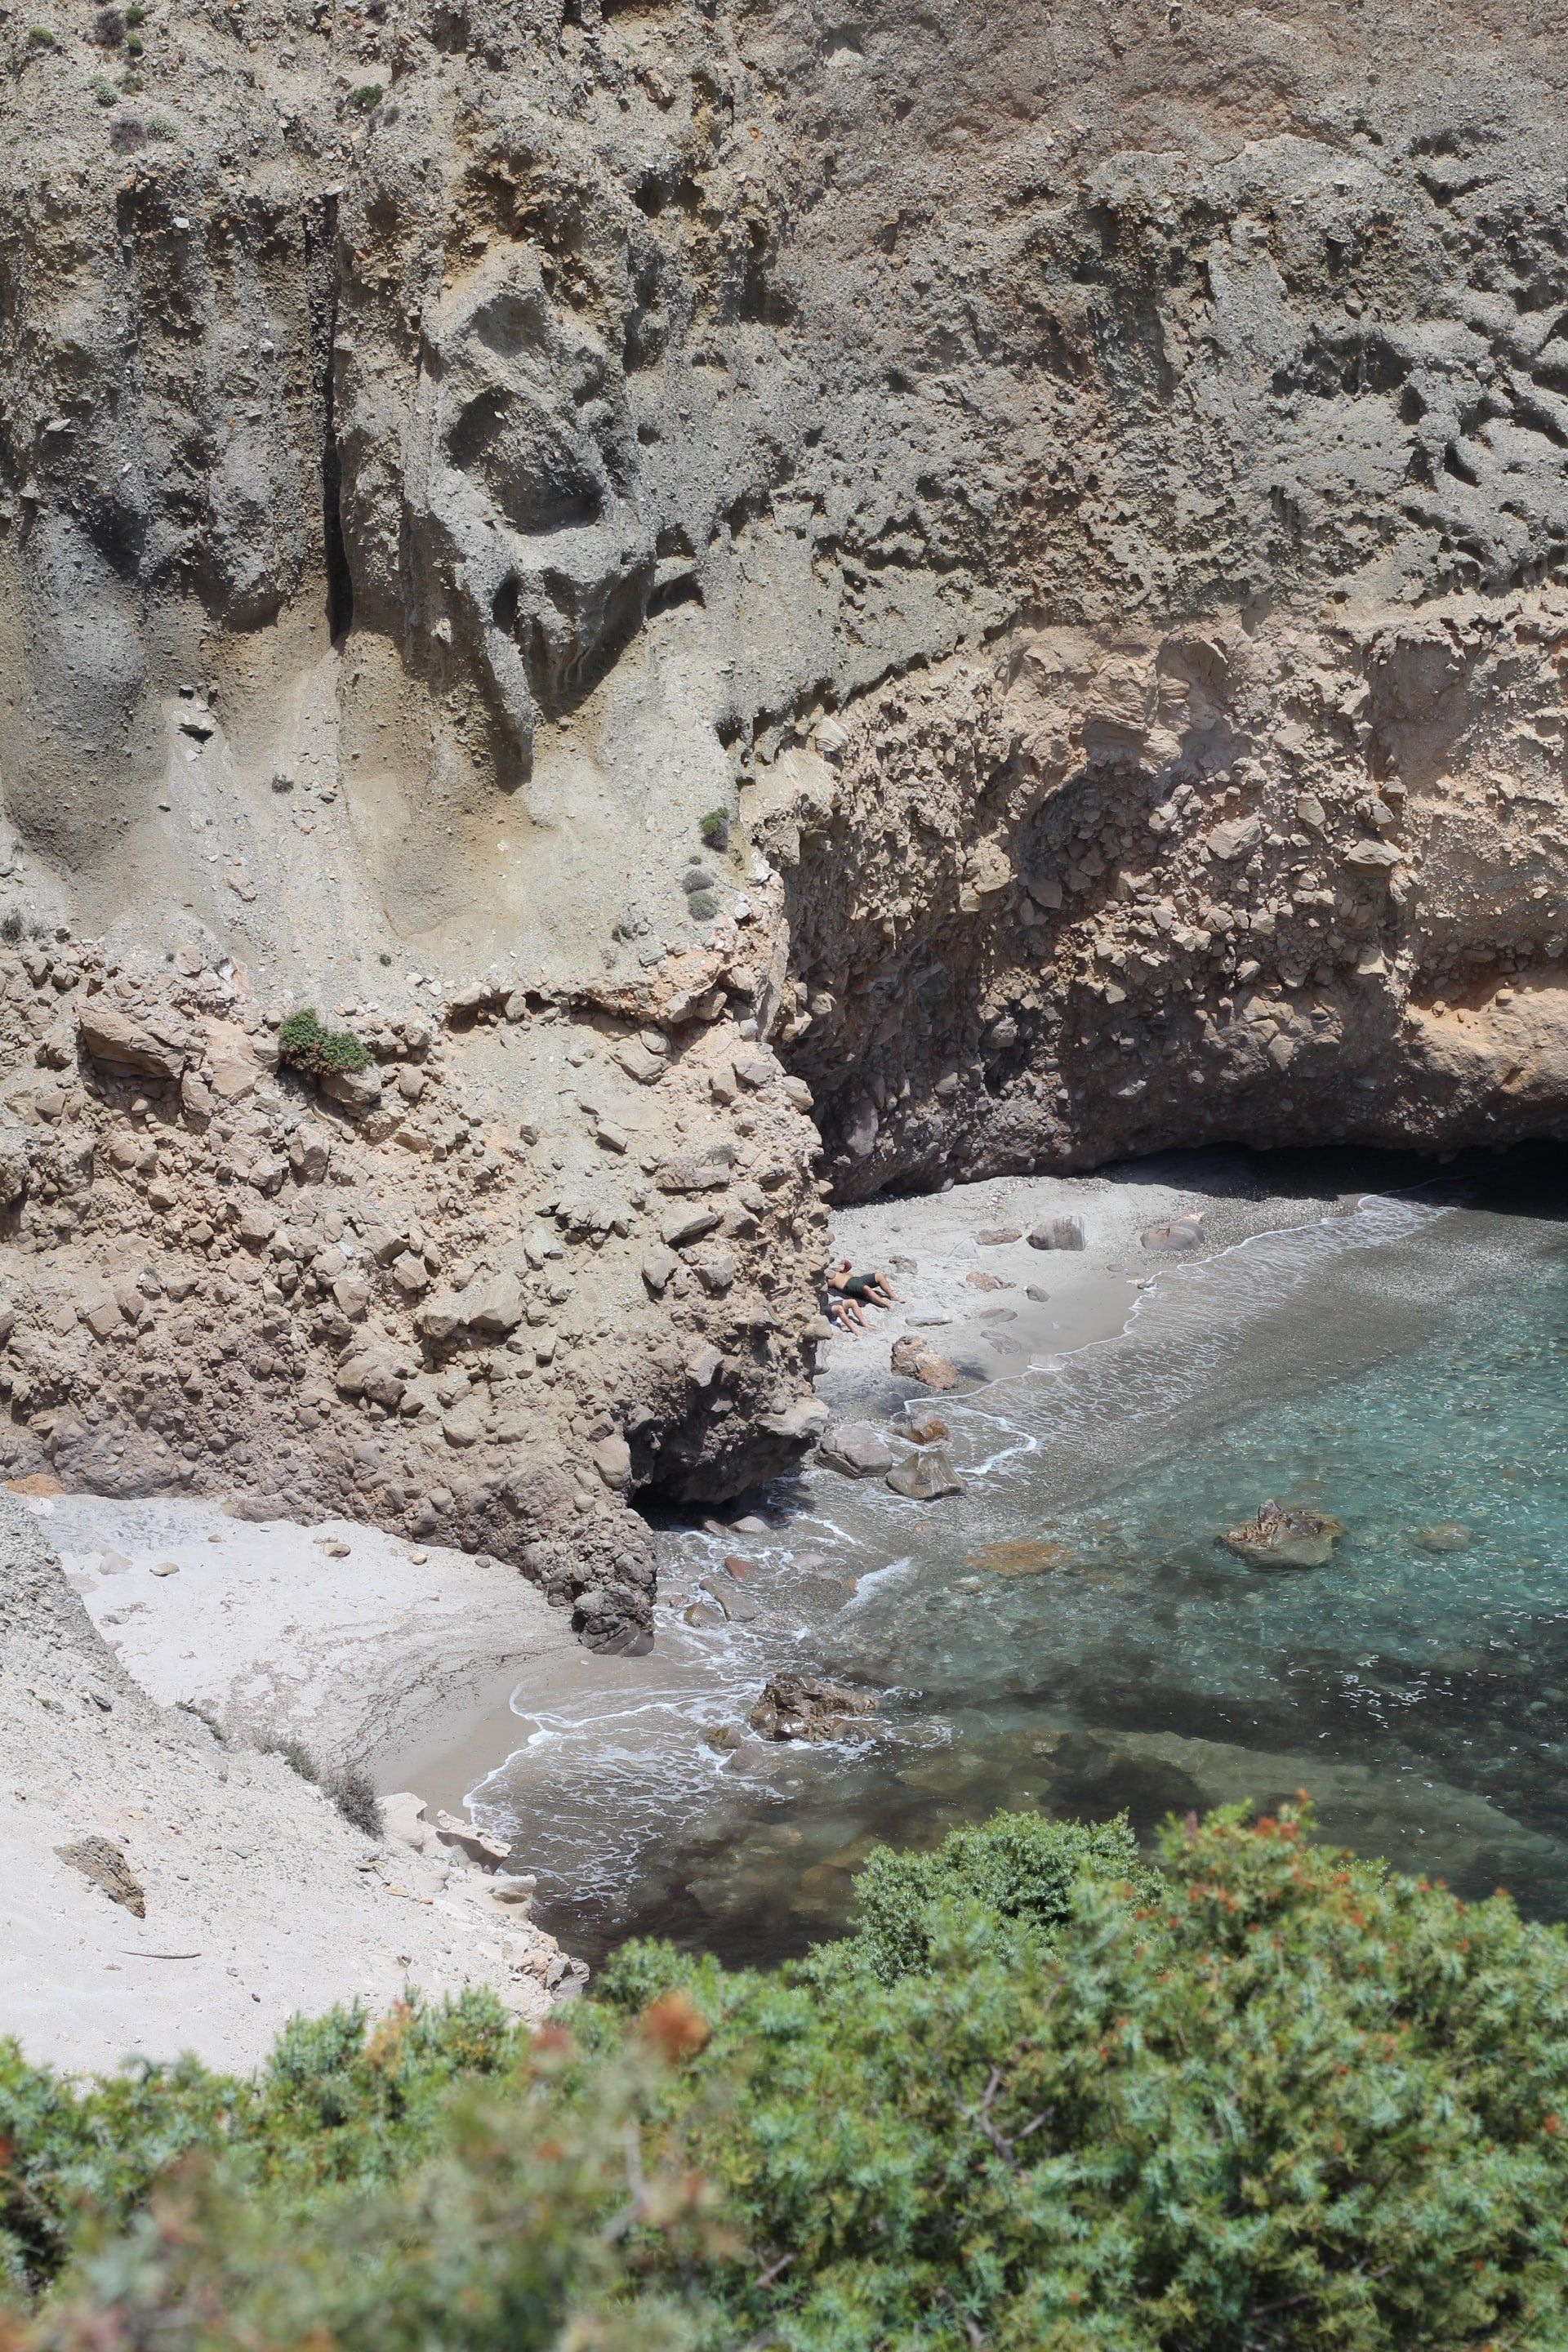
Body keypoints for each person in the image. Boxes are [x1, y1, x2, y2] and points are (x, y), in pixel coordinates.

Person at [826, 1258, 901, 1325]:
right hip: (848, 1285)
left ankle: (892, 1296)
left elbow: (848, 1267)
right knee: (866, 1288)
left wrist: (845, 1263)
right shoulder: (823, 1278)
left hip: (857, 1279)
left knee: (879, 1275)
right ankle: (887, 1305)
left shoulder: (835, 1270)